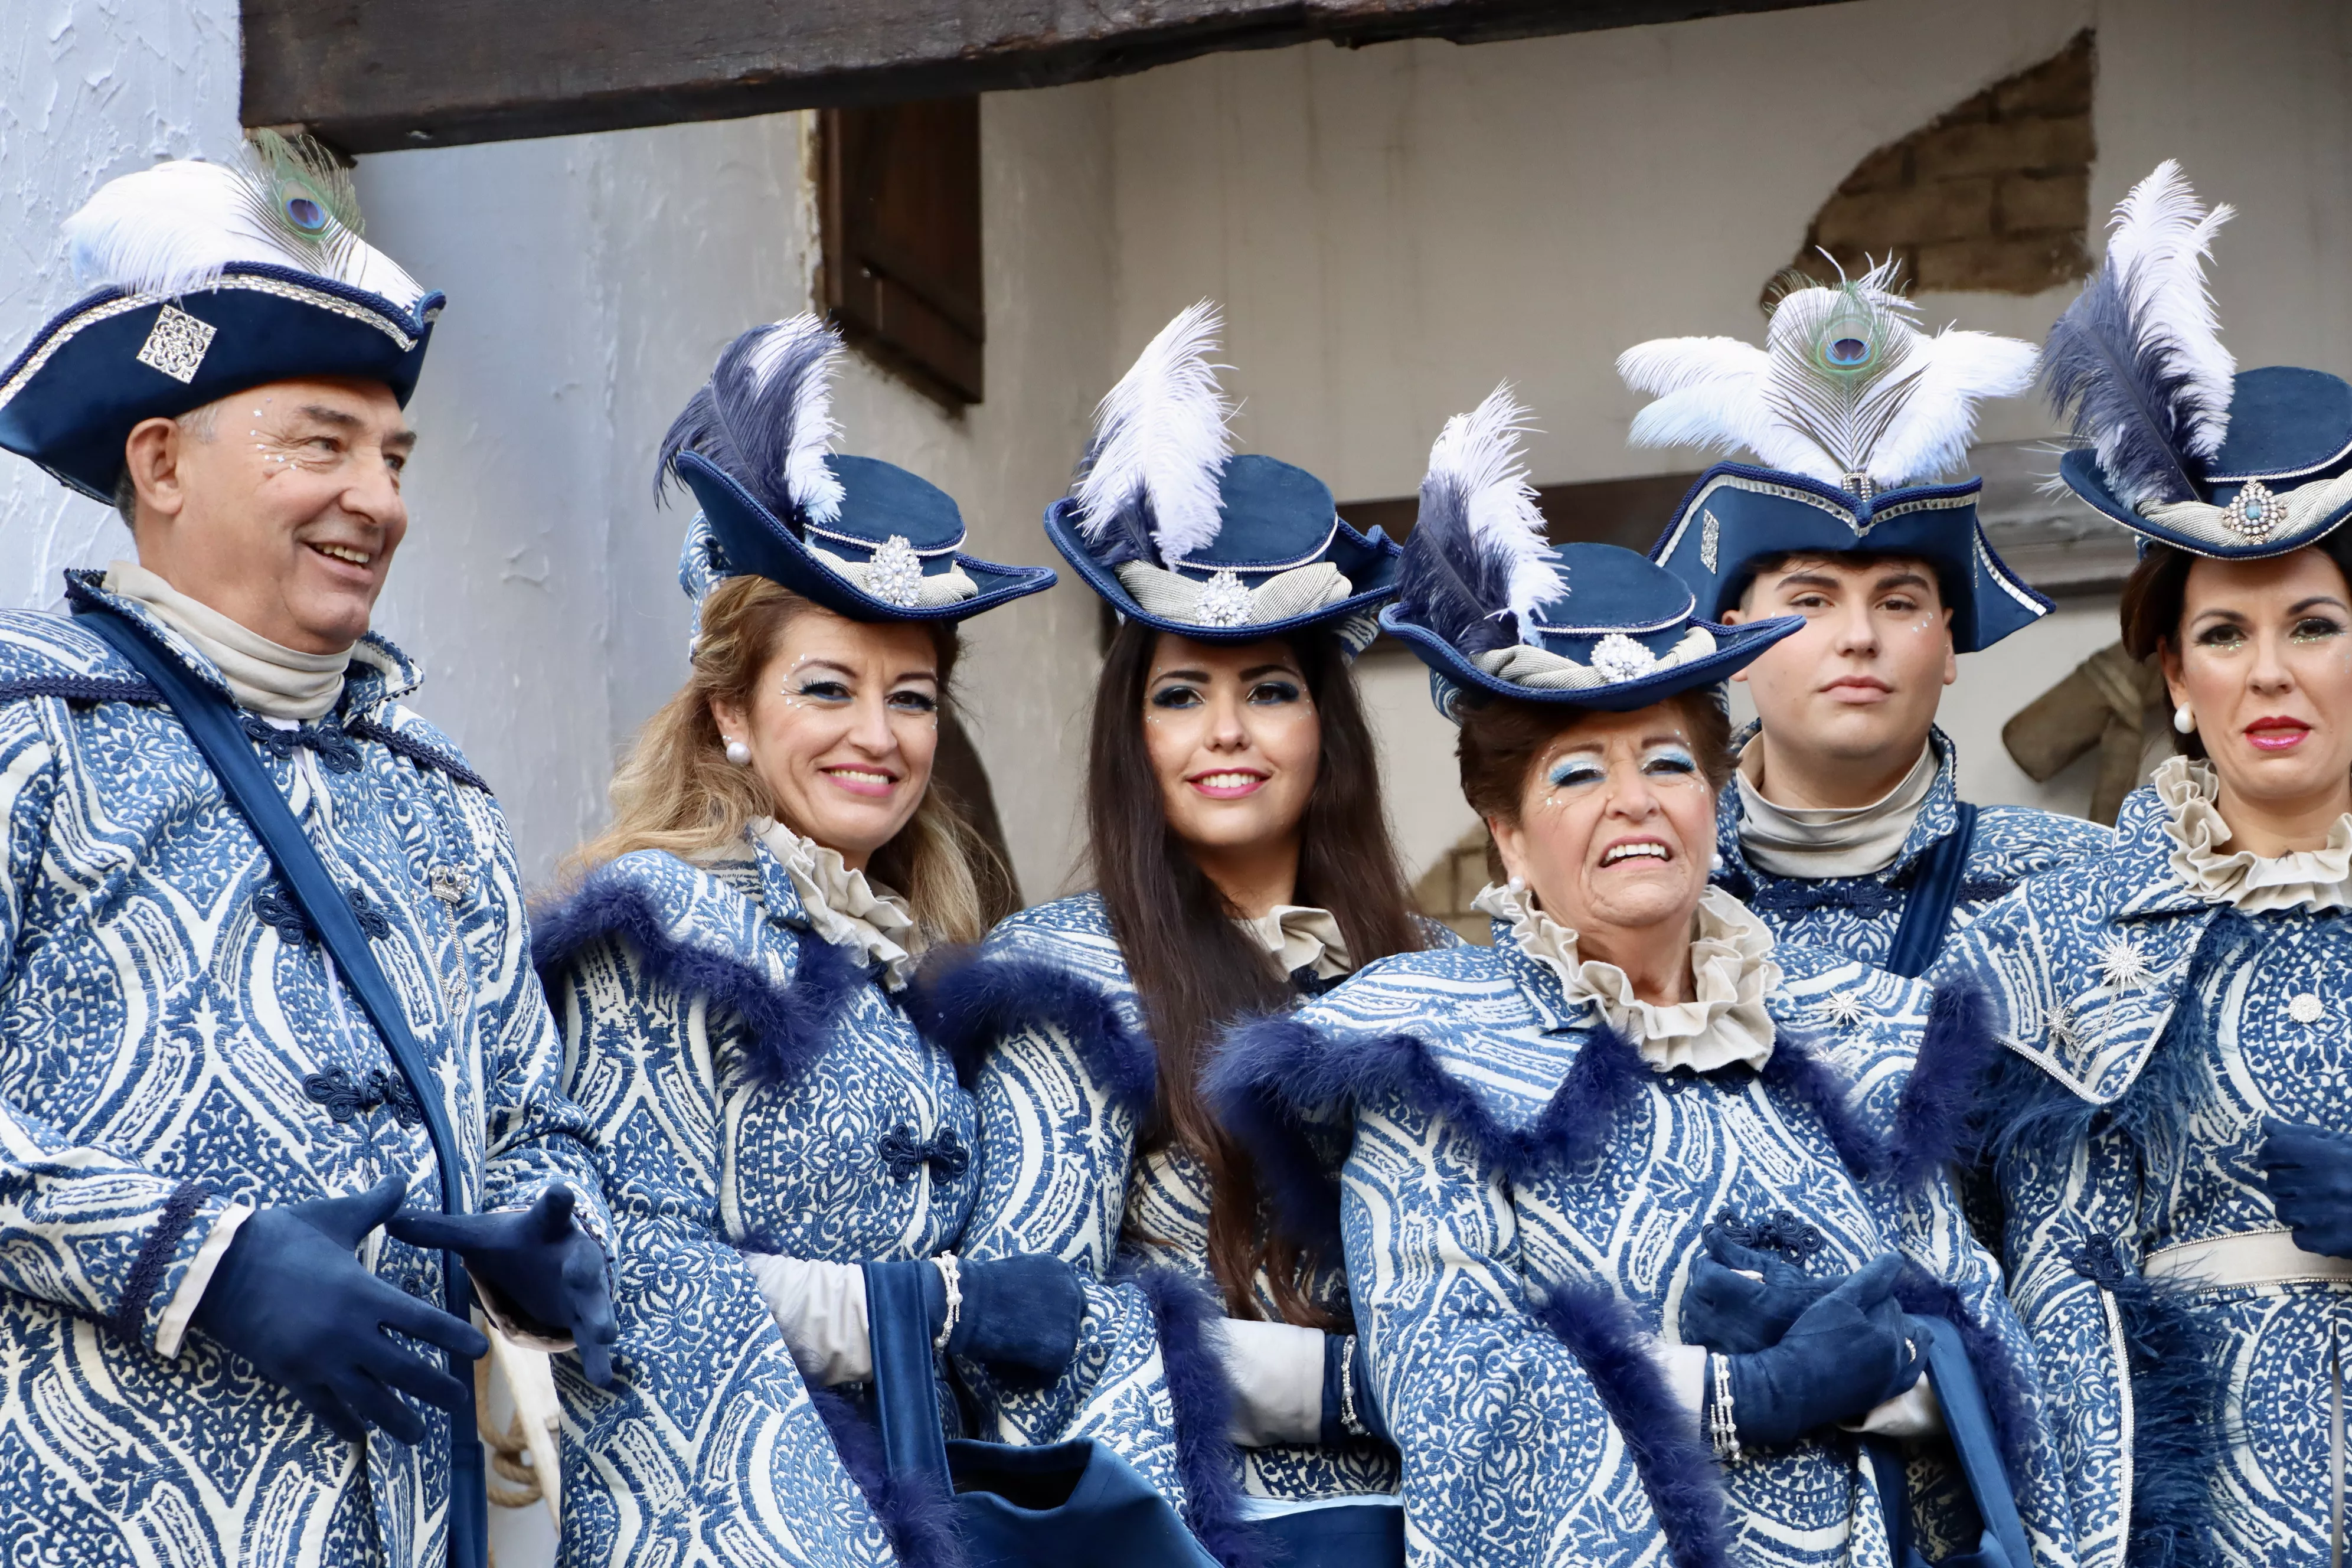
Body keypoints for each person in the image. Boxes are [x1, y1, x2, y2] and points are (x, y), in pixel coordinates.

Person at [1207, 390, 2075, 1568]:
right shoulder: (1427, 1053)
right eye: (1576, 773)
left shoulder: (1852, 1032)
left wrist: (1895, 1358)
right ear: (1507, 833)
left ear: (1716, 796)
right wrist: (1739, 1388)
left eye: (1667, 760)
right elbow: (1461, 1395)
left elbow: (2001, 1357)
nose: (1633, 801)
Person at [0, 136, 615, 1568]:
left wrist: (552, 1221)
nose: (380, 500)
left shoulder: (441, 789)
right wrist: (199, 1263)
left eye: (392, 454)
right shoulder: (23, 726)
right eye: (320, 443)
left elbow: (541, 1117)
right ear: (161, 461)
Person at [531, 315, 1082, 1568]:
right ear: (731, 709)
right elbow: (633, 1271)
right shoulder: (662, 925)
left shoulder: (904, 959)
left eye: (913, 696)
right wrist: (931, 1309)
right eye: (828, 687)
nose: (877, 734)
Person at [912, 303, 1440, 1566]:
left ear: (1327, 727)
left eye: (1270, 688)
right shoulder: (1063, 975)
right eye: (1182, 692)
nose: (1228, 730)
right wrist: (1367, 1387)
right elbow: (1041, 1328)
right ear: (1133, 735)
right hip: (1207, 1533)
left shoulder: (1429, 970)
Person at [1939, 162, 2352, 1567]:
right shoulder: (2063, 937)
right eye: (2225, 635)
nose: (2271, 673)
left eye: (2314, 623)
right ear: (2171, 673)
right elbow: (2045, 1271)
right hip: (2197, 1513)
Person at [1619, 264, 2111, 978]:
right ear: (1736, 641)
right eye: (1811, 601)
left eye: (1898, 602)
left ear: (1947, 641)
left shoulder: (2072, 885)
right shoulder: (1640, 890)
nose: (1859, 636)